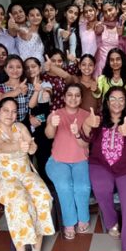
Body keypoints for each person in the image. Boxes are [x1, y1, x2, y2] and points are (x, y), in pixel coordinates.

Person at [0, 97, 55, 251]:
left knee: (43, 196)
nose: (10, 114)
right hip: (4, 178)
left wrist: (31, 146)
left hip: (26, 173)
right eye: (6, 110)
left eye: (14, 111)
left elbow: (31, 149)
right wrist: (19, 145)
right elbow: (0, 147)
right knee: (20, 201)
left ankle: (37, 240)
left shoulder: (20, 127)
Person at [81, 87, 126, 251]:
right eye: (113, 99)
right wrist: (87, 124)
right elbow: (85, 138)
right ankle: (111, 221)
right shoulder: (98, 118)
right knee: (101, 187)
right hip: (101, 164)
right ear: (107, 102)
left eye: (121, 99)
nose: (117, 103)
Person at [45, 83, 91, 239]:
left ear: (81, 98)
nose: (73, 98)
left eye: (77, 95)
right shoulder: (56, 114)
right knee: (65, 186)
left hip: (80, 160)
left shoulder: (86, 116)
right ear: (64, 97)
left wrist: (77, 133)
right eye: (69, 95)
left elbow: (86, 142)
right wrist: (52, 124)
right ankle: (69, 222)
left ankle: (83, 218)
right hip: (58, 161)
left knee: (82, 187)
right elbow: (49, 135)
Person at [0, 55, 34, 123]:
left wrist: (32, 117)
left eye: (18, 67)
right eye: (11, 67)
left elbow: (32, 108)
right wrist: (18, 90)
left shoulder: (29, 87)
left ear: (23, 69)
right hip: (5, 125)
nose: (15, 70)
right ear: (5, 69)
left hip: (23, 125)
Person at [94, 0, 122, 77]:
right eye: (105, 12)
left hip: (117, 65)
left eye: (110, 10)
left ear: (117, 8)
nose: (108, 14)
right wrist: (102, 22)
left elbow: (125, 34)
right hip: (102, 65)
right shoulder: (101, 26)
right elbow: (97, 30)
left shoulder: (122, 25)